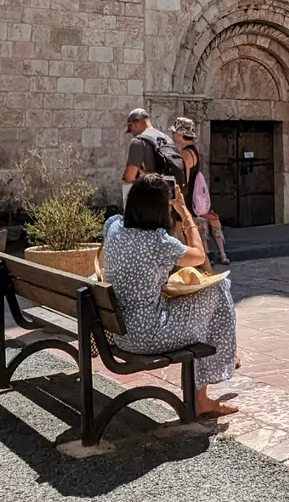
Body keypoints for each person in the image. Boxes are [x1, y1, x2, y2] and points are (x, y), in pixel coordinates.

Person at [101, 175, 238, 417]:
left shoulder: (113, 227)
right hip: (147, 336)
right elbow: (198, 256)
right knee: (218, 288)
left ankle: (216, 371)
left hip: (119, 333)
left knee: (197, 303)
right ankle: (201, 398)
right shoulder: (158, 242)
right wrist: (184, 212)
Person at [175, 122, 230, 264]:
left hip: (188, 200)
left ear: (181, 134)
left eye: (175, 132)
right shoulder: (193, 151)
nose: (173, 135)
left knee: (181, 232)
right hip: (194, 199)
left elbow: (184, 180)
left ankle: (190, 264)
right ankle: (210, 260)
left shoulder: (186, 154)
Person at [121, 108, 181, 184]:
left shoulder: (138, 141)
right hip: (171, 191)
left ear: (136, 122)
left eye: (130, 128)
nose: (132, 133)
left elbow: (129, 177)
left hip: (153, 192)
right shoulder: (167, 139)